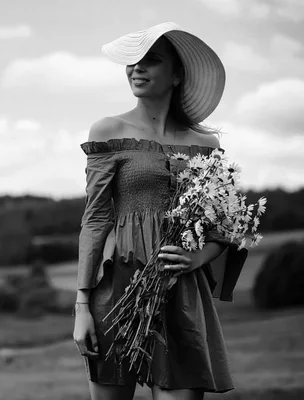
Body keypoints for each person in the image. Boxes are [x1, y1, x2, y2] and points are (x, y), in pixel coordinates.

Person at [72, 22, 247, 400]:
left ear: (177, 75)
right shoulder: (107, 130)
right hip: (116, 287)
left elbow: (224, 226)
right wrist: (82, 306)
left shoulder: (205, 144)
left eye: (151, 61)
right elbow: (96, 219)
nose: (137, 69)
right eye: (133, 62)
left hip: (181, 294)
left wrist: (197, 257)